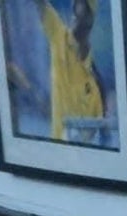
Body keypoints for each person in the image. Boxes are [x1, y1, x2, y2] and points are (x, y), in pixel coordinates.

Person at [26, 0, 107, 143]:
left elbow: (95, 128)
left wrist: (80, 141)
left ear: (91, 21)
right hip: (58, 150)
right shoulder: (59, 37)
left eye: (83, 15)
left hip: (82, 158)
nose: (77, 19)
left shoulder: (95, 84)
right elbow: (41, 5)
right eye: (75, 13)